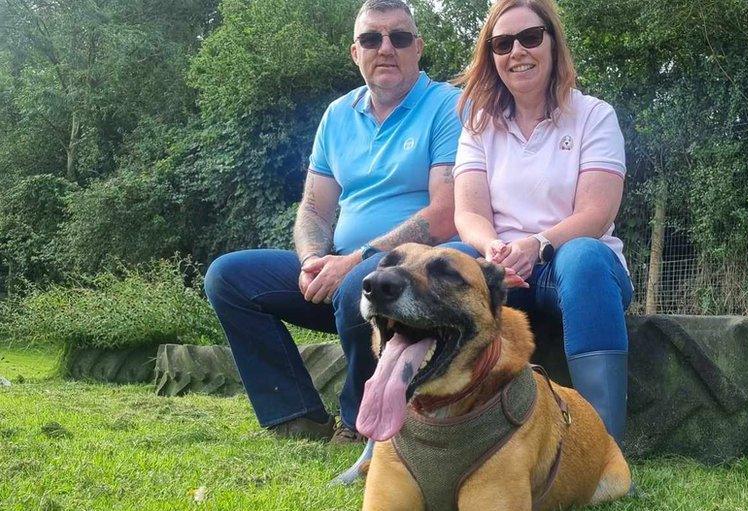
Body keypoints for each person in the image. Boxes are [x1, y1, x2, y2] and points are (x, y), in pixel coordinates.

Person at [204, 0, 461, 443]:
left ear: (418, 48)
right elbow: (313, 209)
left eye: (399, 38)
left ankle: (360, 423)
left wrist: (356, 261)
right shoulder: (338, 114)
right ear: (354, 52)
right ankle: (298, 414)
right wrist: (311, 259)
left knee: (358, 283)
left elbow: (444, 215)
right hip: (342, 264)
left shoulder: (447, 107)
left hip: (414, 274)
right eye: (370, 38)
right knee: (228, 277)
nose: (385, 48)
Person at [448, 0, 631, 444]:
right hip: (505, 269)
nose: (517, 52)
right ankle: (429, 434)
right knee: (444, 262)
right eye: (503, 43)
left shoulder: (594, 115)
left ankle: (602, 445)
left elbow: (597, 212)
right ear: (490, 57)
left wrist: (539, 243)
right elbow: (468, 213)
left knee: (583, 256)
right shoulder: (478, 126)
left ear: (553, 43)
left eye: (530, 37)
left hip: (577, 269)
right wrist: (492, 251)